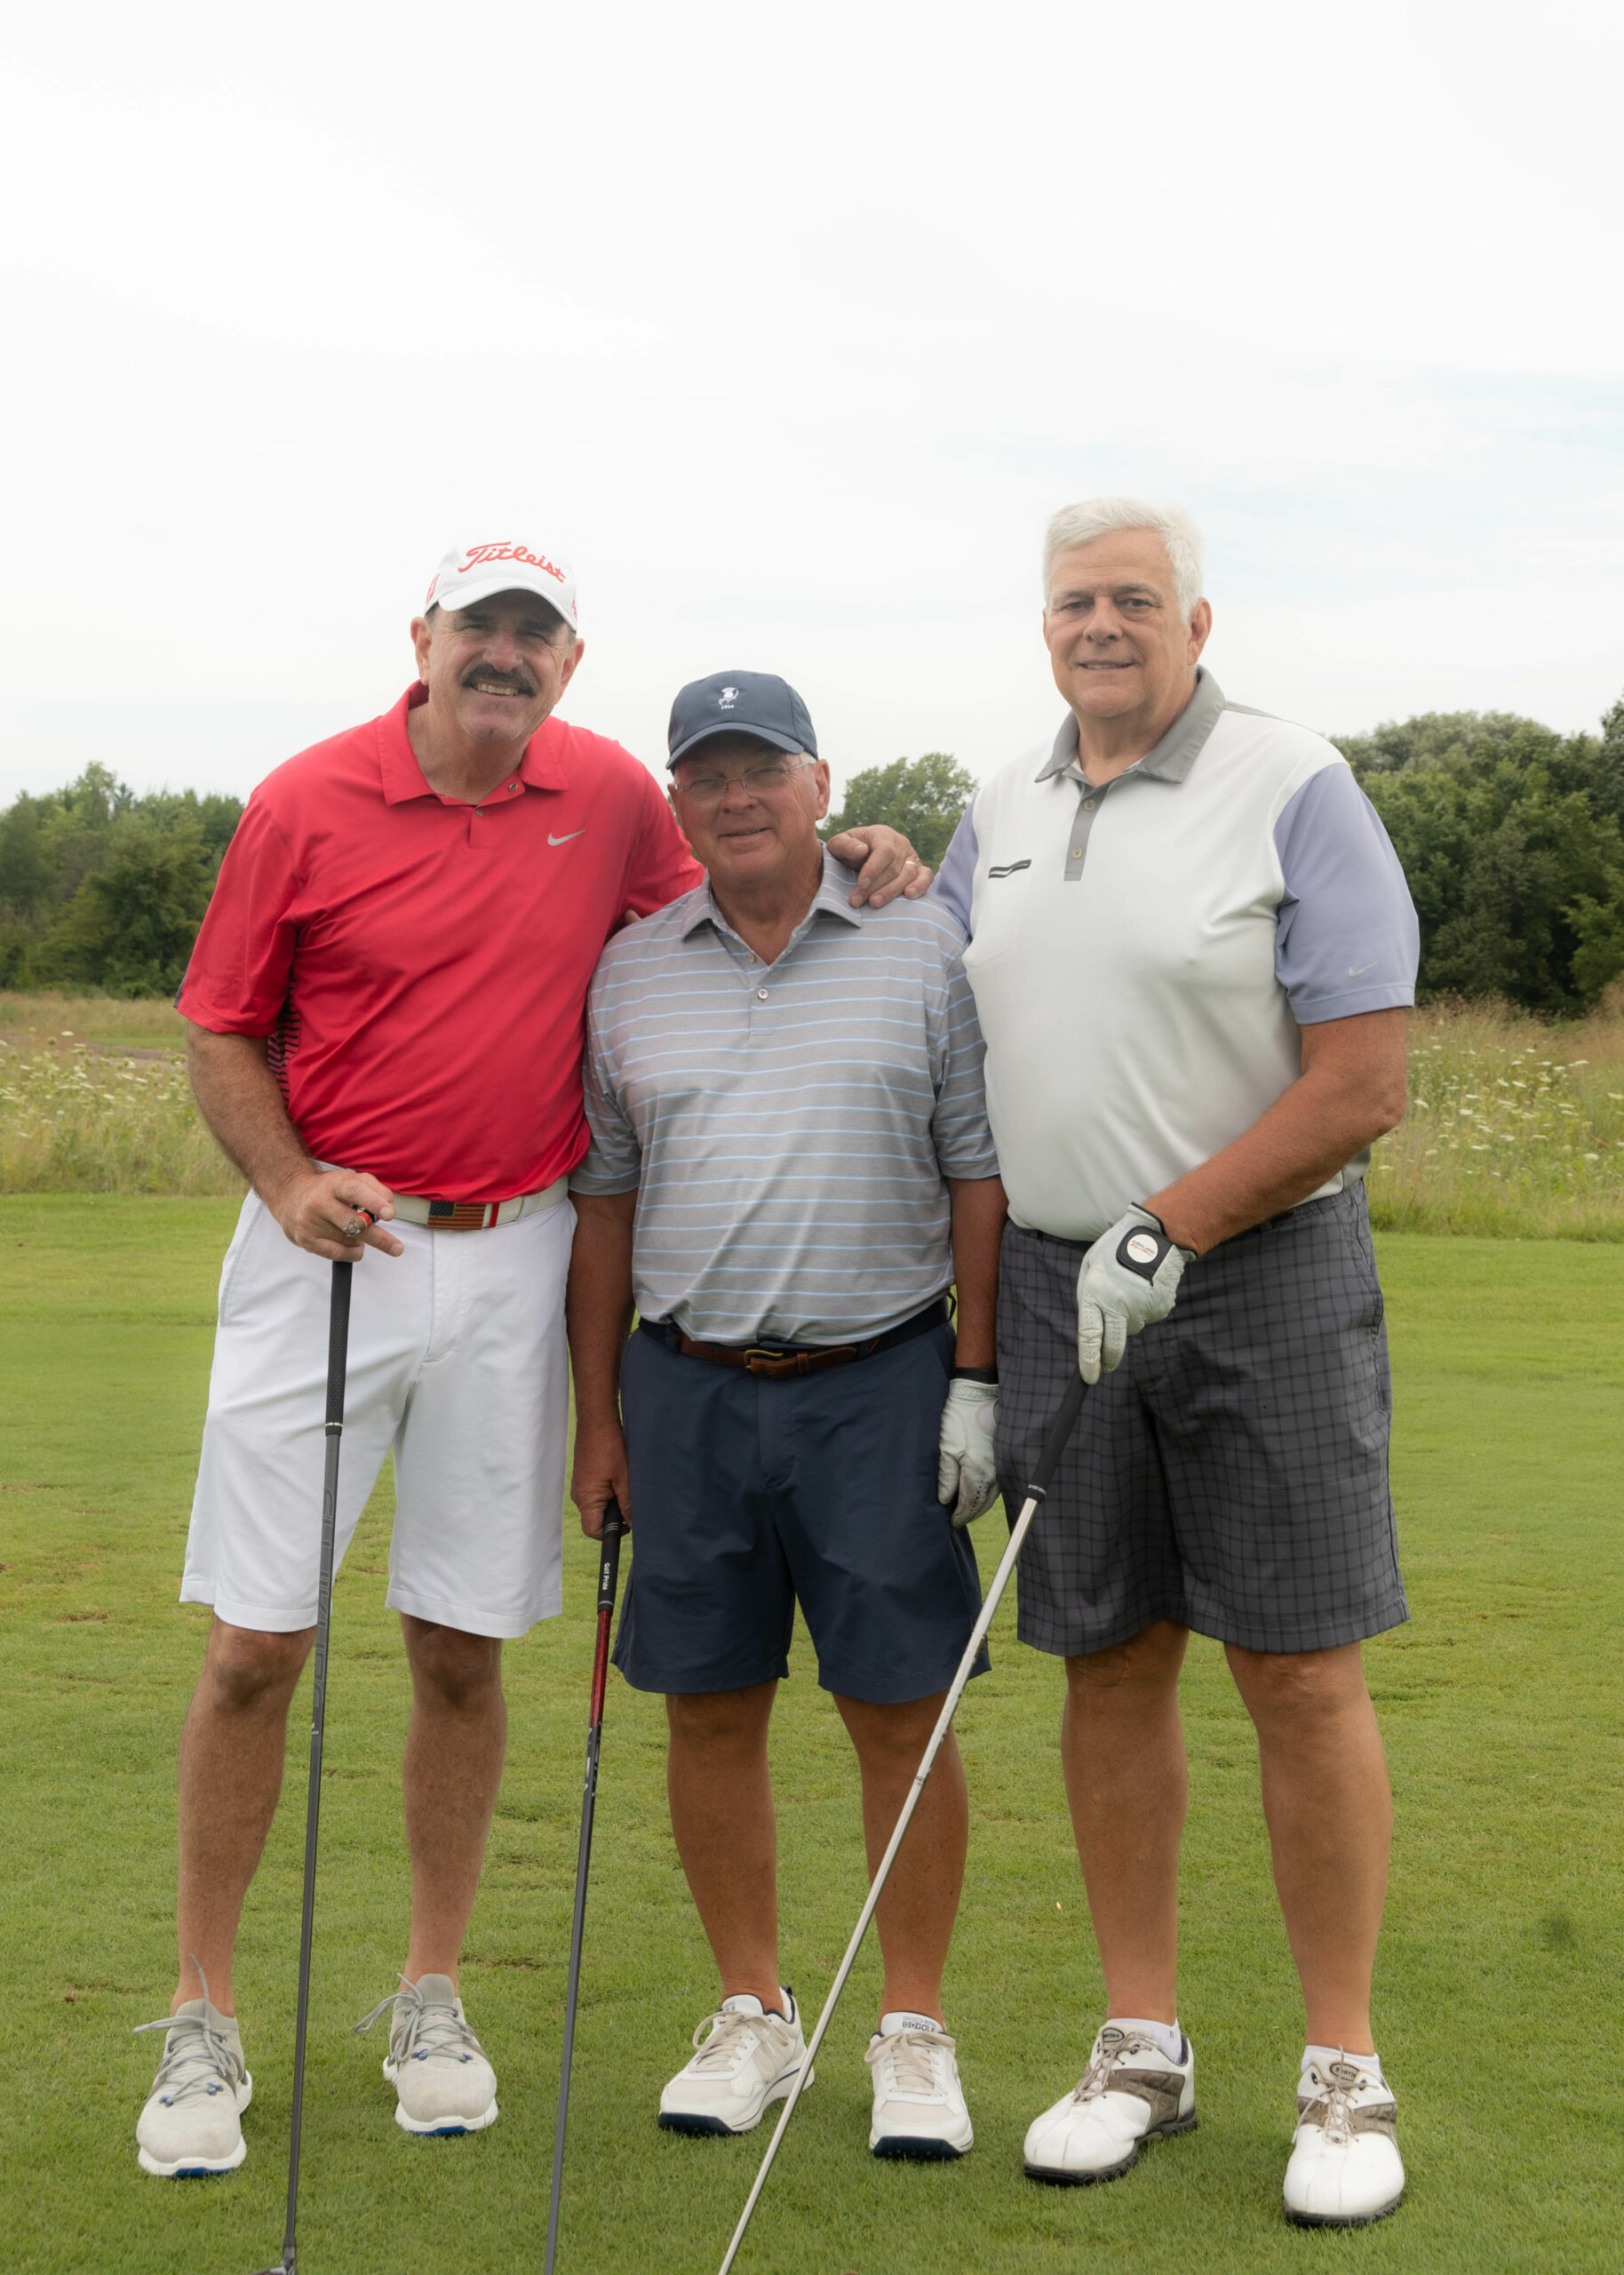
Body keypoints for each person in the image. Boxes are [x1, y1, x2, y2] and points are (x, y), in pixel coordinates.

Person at [135, 546, 927, 2180]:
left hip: (519, 1257)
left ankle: (432, 1994)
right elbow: (221, 1024)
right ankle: (202, 2009)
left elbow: (733, 895)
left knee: (461, 1646)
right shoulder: (305, 799)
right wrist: (284, 1179)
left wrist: (862, 851)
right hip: (326, 1246)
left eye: (533, 636)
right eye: (477, 628)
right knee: (257, 1647)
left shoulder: (616, 796)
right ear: (423, 641)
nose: (503, 656)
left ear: (569, 662)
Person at [933, 498, 1419, 2228]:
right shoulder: (996, 807)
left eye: (1136, 598)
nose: (1103, 624)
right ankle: (1140, 2045)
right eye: (1076, 600)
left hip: (1258, 1274)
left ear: (1195, 623)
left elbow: (1361, 1079)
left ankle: (1342, 2069)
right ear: (1043, 624)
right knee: (1109, 1658)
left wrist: (1178, 1222)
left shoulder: (1293, 782)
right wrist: (872, 865)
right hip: (1058, 1281)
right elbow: (942, 1010)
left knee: (1296, 1669)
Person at [567, 670, 1007, 2160]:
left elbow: (977, 1172)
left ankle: (913, 2027)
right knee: (708, 1704)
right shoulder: (631, 969)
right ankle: (752, 2011)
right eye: (707, 776)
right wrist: (598, 1420)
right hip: (686, 1385)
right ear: (676, 802)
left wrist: (976, 1379)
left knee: (899, 1709)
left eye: (764, 769)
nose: (737, 797)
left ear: (823, 785)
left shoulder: (923, 942)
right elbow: (606, 1207)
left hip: (880, 1381)